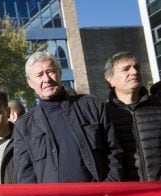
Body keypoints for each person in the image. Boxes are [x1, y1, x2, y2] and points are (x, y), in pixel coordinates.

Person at [13, 51, 122, 183]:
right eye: (39, 75)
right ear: (30, 83)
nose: (46, 79)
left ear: (60, 73)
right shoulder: (24, 126)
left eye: (51, 71)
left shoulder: (92, 106)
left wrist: (108, 188)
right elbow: (25, 175)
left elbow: (114, 151)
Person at [104, 51, 161, 181]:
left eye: (137, 67)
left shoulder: (157, 107)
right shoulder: (104, 115)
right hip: (128, 195)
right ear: (110, 80)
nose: (134, 72)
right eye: (126, 69)